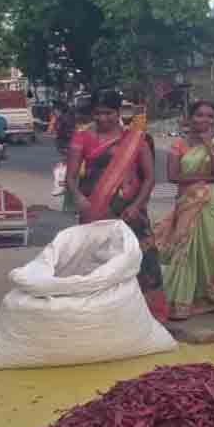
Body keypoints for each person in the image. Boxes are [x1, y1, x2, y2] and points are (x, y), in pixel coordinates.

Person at [65, 89, 168, 322]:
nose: (103, 118)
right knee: (98, 258)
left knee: (144, 257)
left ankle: (152, 314)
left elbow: (149, 177)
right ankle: (102, 312)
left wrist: (137, 205)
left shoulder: (134, 139)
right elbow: (71, 177)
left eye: (109, 113)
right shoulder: (81, 138)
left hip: (130, 209)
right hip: (94, 208)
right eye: (98, 113)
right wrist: (79, 198)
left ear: (119, 112)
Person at [154, 100, 214, 321]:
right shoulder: (179, 145)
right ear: (190, 118)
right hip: (189, 203)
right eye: (199, 115)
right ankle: (187, 299)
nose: (204, 120)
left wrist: (209, 146)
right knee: (186, 249)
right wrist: (207, 178)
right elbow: (173, 176)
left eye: (209, 116)